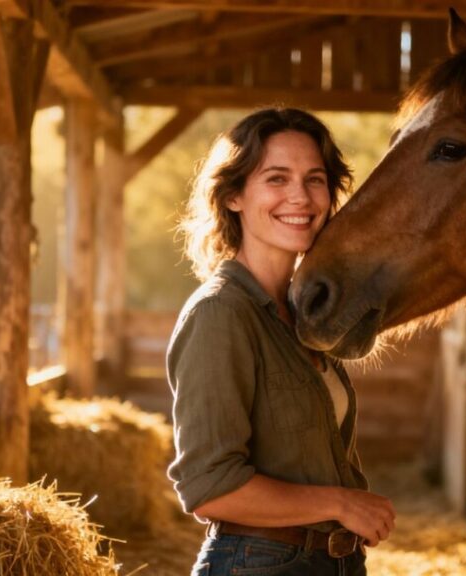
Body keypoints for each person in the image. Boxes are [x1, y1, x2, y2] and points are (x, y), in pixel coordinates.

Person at [168, 108, 396, 576]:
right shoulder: (221, 313)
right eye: (276, 178)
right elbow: (210, 488)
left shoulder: (302, 315)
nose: (300, 196)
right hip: (257, 565)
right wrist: (342, 503)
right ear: (233, 195)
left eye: (315, 180)